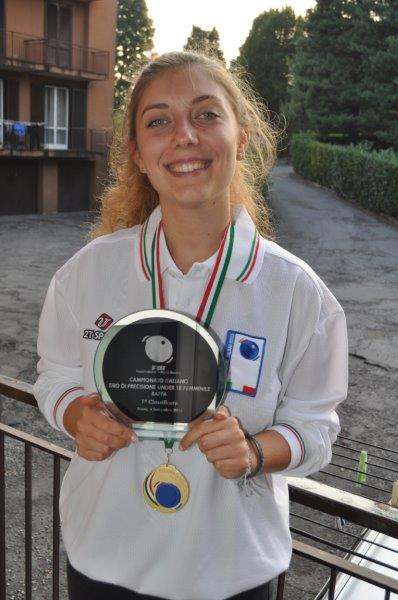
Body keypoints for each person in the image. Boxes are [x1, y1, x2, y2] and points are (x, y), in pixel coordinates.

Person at [34, 51, 348, 600]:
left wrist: (254, 452)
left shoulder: (297, 292)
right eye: (158, 121)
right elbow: (53, 377)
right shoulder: (86, 274)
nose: (183, 135)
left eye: (206, 115)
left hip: (232, 574)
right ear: (137, 153)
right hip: (104, 563)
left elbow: (316, 428)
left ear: (242, 137)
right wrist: (76, 413)